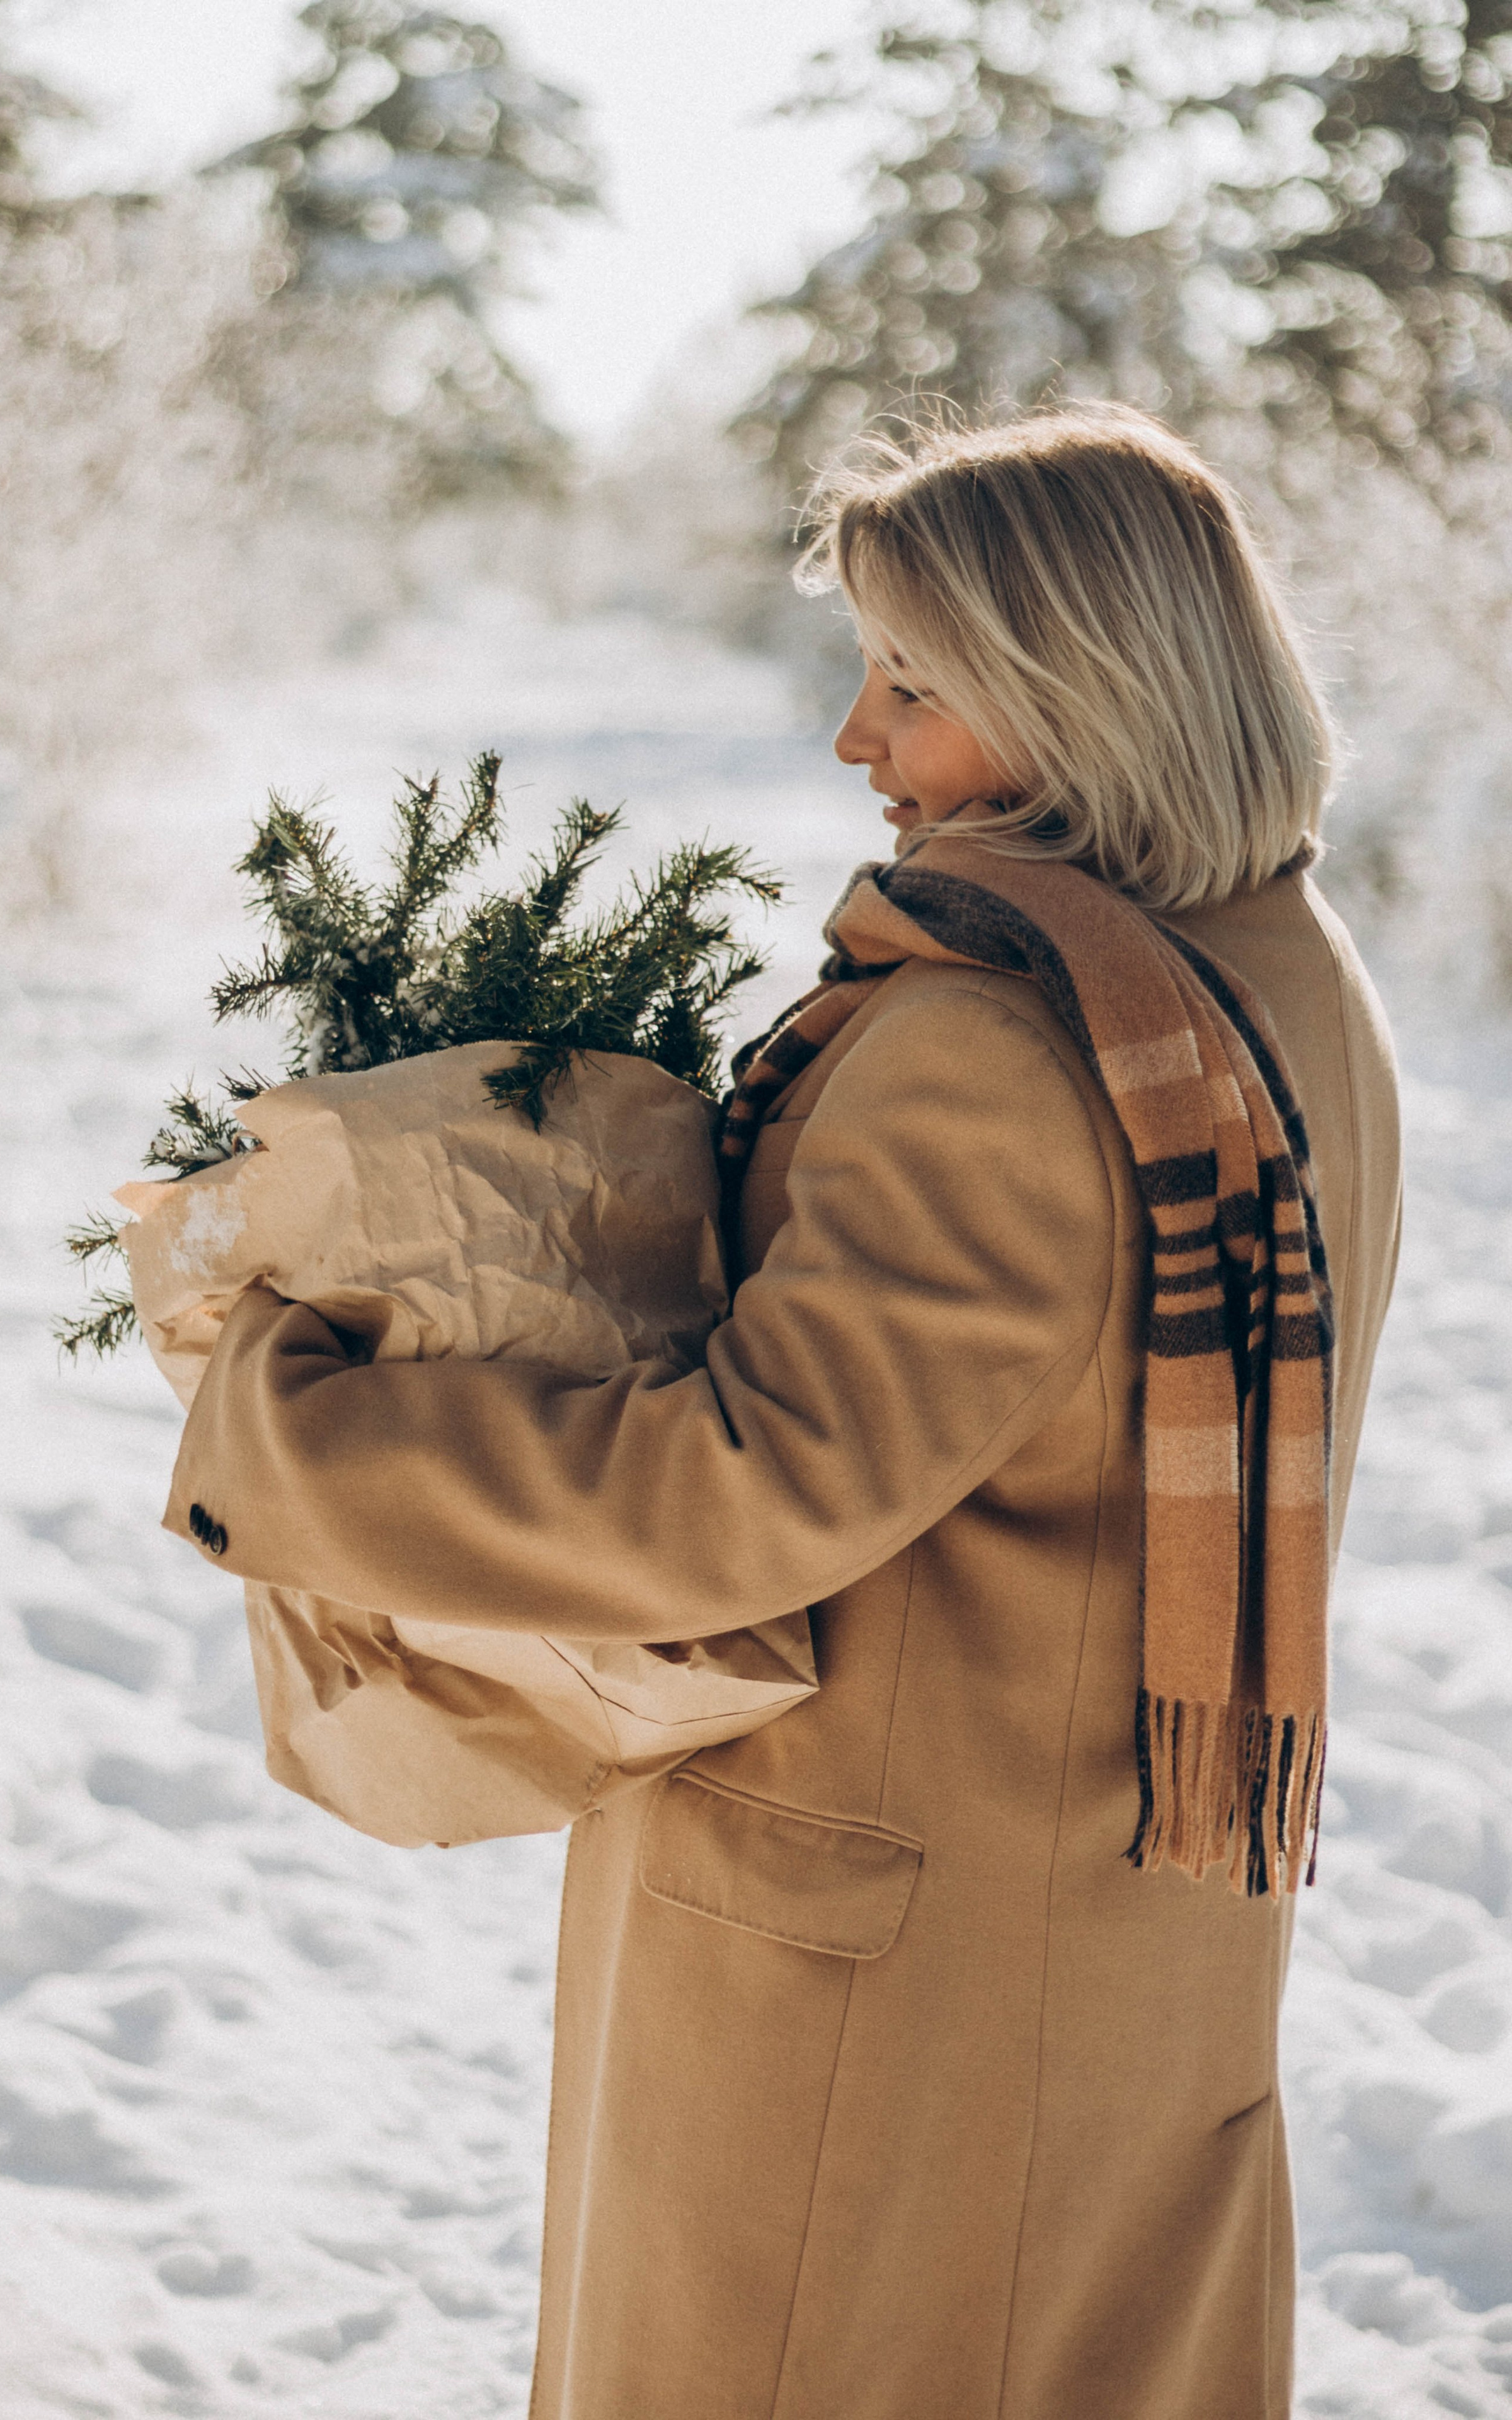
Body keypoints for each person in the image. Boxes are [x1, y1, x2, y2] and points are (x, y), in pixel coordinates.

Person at [165, 404, 1402, 2419]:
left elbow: (732, 1497)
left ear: (1077, 686)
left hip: (880, 1963)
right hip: (1135, 1915)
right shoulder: (1280, 979)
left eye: (911, 685)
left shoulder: (999, 1043)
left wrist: (284, 1428)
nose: (857, 740)